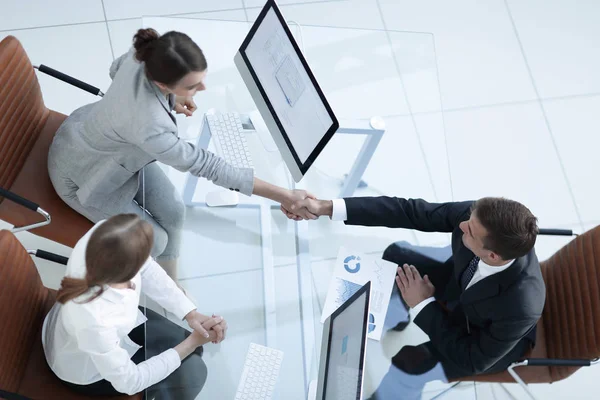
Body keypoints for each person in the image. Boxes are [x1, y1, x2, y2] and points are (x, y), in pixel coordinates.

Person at [48, 28, 316, 283]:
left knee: (175, 211)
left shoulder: (146, 51)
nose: (202, 90)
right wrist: (285, 195)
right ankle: (160, 280)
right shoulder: (151, 128)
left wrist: (170, 99)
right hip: (82, 177)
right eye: (192, 86)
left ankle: (170, 282)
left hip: (97, 141)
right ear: (162, 83)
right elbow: (206, 165)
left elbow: (114, 70)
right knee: (158, 242)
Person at [287, 196, 545, 398]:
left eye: (469, 231)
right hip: (460, 287)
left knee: (409, 363)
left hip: (476, 338)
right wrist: (327, 207)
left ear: (492, 256)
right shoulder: (477, 218)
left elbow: (472, 359)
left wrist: (423, 304)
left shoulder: (522, 306)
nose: (462, 225)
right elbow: (409, 210)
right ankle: (391, 316)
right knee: (397, 255)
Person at [42, 214, 227, 398]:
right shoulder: (94, 321)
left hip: (108, 333)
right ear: (125, 273)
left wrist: (190, 313)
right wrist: (192, 343)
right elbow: (131, 382)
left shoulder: (104, 237)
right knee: (194, 373)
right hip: (86, 370)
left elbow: (147, 269)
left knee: (195, 352)